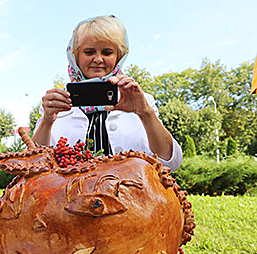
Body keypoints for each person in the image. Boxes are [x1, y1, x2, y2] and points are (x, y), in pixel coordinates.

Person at [32, 15, 182, 171]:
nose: (98, 59)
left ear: (119, 57)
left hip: (131, 194)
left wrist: (146, 113)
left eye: (107, 52)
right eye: (89, 52)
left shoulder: (142, 101)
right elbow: (33, 166)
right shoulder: (57, 104)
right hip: (71, 195)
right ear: (75, 56)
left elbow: (170, 162)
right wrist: (47, 120)